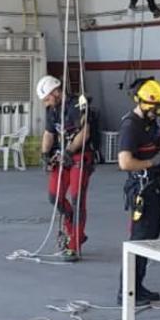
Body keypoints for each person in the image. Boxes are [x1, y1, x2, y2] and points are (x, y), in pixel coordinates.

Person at [117, 78, 160, 305]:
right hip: (142, 190)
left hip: (154, 188)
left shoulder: (149, 122)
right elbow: (125, 162)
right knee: (139, 240)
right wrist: (152, 162)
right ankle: (126, 292)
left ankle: (138, 287)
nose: (158, 113)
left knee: (149, 240)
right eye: (155, 109)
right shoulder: (131, 126)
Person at [38, 74, 91, 261]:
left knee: (77, 199)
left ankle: (74, 244)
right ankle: (73, 229)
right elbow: (49, 133)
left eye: (47, 98)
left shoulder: (78, 105)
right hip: (62, 156)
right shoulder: (52, 110)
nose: (45, 103)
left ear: (56, 92)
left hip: (79, 155)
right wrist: (45, 154)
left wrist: (69, 151)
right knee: (55, 197)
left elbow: (84, 132)